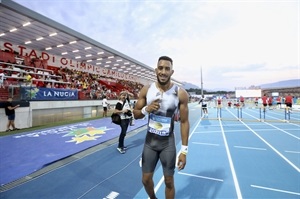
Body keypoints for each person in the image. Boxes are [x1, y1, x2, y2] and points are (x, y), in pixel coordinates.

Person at [133, 56, 190, 199]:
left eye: (167, 69)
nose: (163, 72)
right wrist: (147, 109)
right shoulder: (147, 90)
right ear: (156, 70)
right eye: (160, 68)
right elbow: (136, 114)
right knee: (145, 180)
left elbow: (184, 122)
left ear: (172, 72)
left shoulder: (180, 93)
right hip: (150, 143)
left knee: (169, 181)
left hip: (167, 144)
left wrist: (184, 151)